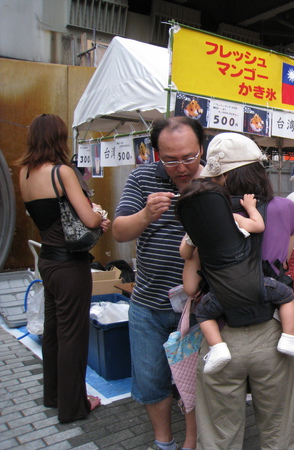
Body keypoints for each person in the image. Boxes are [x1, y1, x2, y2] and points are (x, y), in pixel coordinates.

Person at [194, 132, 294, 449]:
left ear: (222, 177)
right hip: (272, 331)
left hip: (221, 333)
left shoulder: (205, 220)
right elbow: (282, 262)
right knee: (281, 430)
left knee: (219, 434)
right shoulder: (285, 209)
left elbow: (191, 285)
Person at [113, 116, 204, 450]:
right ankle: (163, 442)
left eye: (188, 157)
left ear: (201, 148)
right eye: (170, 159)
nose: (181, 167)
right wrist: (145, 215)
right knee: (152, 381)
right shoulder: (142, 178)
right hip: (148, 303)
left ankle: (191, 443)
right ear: (156, 155)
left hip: (198, 306)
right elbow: (119, 230)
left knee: (195, 381)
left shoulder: (214, 179)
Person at [18, 114, 110, 422]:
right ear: (58, 138)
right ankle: (74, 406)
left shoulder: (25, 174)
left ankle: (54, 396)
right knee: (73, 334)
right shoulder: (63, 172)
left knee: (54, 330)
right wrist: (99, 215)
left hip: (47, 260)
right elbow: (89, 219)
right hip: (71, 264)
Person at [176, 180, 294, 375]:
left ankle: (218, 348)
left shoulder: (196, 234)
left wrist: (191, 238)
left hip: (221, 296)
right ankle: (288, 336)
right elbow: (259, 225)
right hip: (256, 285)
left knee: (203, 313)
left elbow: (184, 254)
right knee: (286, 295)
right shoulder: (233, 218)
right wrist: (251, 208)